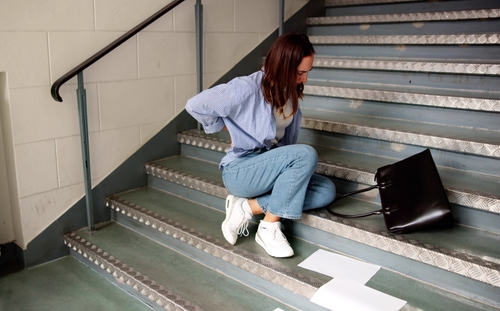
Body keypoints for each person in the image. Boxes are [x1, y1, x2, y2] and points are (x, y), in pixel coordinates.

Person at [185, 32, 336, 258]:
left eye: (307, 72)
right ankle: (268, 228)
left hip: (268, 168)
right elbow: (195, 105)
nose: (305, 79)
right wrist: (224, 127)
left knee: (326, 191)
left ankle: (247, 208)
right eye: (300, 73)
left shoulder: (290, 94)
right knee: (305, 155)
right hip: (241, 170)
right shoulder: (246, 87)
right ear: (283, 67)